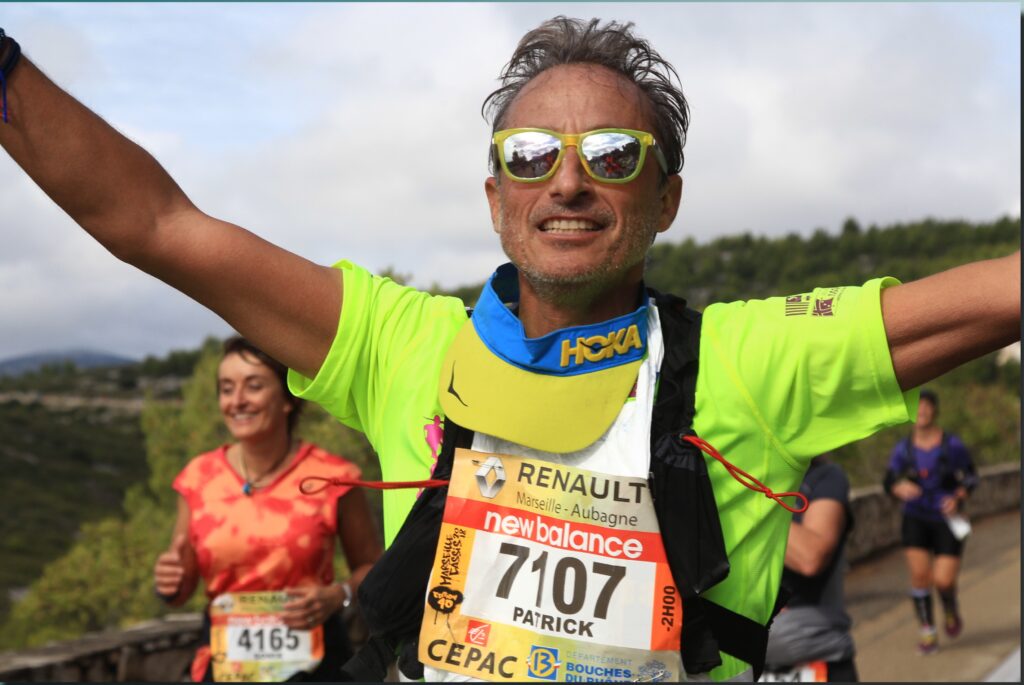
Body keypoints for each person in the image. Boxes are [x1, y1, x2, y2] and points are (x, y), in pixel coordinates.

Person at [0, 16, 1019, 682]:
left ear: (667, 196)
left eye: (611, 155)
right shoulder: (403, 344)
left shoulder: (749, 361)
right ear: (495, 198)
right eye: (529, 156)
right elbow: (155, 223)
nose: (566, 182)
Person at [151, 336, 383, 682]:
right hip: (225, 669)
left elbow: (374, 569)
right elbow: (179, 591)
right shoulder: (197, 478)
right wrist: (170, 581)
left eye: (254, 386)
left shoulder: (332, 476)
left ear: (288, 398)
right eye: (226, 389)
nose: (237, 401)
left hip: (316, 668)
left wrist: (337, 595)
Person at [883, 389, 977, 655]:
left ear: (935, 410)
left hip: (947, 520)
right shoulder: (903, 449)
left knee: (943, 580)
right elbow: (888, 481)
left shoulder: (952, 445)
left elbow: (971, 477)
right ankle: (928, 632)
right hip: (915, 517)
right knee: (920, 576)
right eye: (916, 407)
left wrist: (958, 497)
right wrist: (898, 487)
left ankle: (949, 604)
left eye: (926, 407)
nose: (921, 412)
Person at [763, 456, 857, 682]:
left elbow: (810, 557)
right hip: (736, 656)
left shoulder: (824, 476)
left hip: (812, 651)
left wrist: (745, 496)